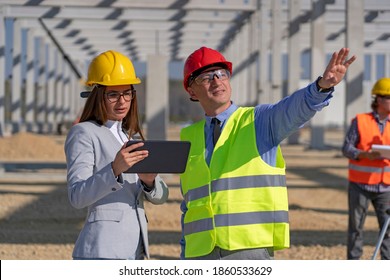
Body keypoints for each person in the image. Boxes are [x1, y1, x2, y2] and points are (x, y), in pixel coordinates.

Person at [179, 46, 356, 260]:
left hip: (247, 249)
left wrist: (321, 87)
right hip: (199, 252)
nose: (217, 81)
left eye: (221, 74)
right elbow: (189, 203)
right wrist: (185, 252)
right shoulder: (188, 137)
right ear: (191, 90)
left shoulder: (259, 121)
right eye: (206, 78)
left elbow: (293, 109)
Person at [64, 50, 169, 260]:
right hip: (103, 250)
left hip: (135, 250)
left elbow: (162, 197)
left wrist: (149, 182)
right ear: (97, 95)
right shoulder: (83, 132)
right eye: (113, 94)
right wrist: (114, 169)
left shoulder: (129, 136)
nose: (122, 101)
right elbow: (77, 196)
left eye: (127, 93)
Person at [342, 77, 390, 260]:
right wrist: (364, 154)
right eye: (389, 97)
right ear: (378, 99)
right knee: (356, 229)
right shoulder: (360, 121)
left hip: (386, 187)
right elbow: (347, 149)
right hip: (360, 185)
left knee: (388, 231)